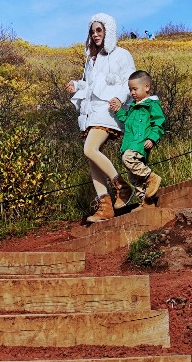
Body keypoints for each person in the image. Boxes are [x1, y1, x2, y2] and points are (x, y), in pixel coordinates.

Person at [64, 13, 134, 222]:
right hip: (92, 112)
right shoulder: (92, 60)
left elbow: (128, 81)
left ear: (108, 31)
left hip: (108, 110)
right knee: (91, 156)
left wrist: (121, 99)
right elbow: (91, 85)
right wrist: (77, 85)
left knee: (89, 149)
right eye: (92, 31)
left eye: (99, 30)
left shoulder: (122, 54)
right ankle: (105, 206)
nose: (95, 35)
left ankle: (122, 187)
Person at [113, 70, 166, 205]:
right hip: (130, 144)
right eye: (130, 90)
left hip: (140, 144)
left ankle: (151, 177)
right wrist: (118, 111)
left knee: (128, 159)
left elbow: (159, 123)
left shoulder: (151, 105)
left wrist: (152, 138)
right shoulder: (132, 107)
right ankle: (146, 202)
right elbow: (127, 121)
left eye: (135, 89)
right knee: (134, 177)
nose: (132, 93)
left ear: (146, 87)